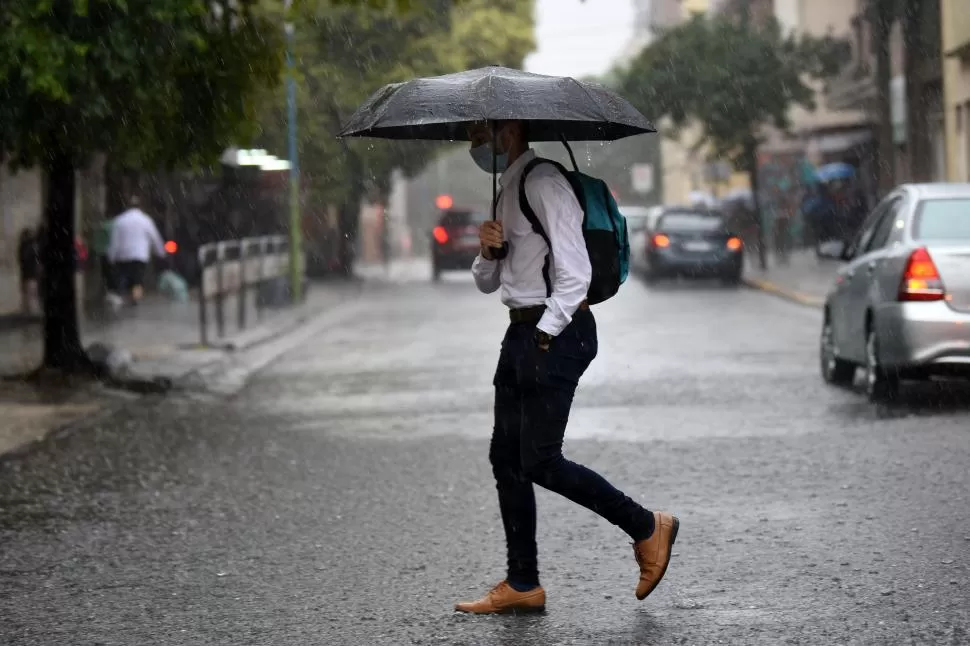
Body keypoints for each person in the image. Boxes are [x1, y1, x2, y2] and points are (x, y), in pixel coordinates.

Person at [455, 120, 679, 615]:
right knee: (506, 459)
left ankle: (646, 527)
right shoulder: (507, 190)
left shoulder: (543, 182)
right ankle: (522, 582)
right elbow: (490, 283)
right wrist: (487, 251)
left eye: (478, 132)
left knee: (539, 459)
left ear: (507, 130)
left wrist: (544, 334)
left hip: (555, 331)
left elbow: (574, 273)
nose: (472, 142)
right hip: (522, 331)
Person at [106, 195, 167, 305]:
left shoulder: (119, 220)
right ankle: (134, 300)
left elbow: (114, 241)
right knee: (137, 279)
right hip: (140, 256)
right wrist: (161, 252)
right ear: (140, 207)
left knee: (123, 277)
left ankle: (122, 297)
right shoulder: (146, 220)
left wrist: (111, 256)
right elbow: (155, 237)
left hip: (123, 256)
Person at [17, 227, 40, 315]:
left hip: (29, 271)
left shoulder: (28, 245)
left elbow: (23, 258)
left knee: (29, 290)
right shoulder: (29, 245)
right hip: (29, 271)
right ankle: (28, 308)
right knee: (29, 290)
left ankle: (29, 308)